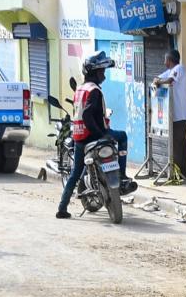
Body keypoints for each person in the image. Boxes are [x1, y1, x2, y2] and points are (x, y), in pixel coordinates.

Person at [56, 50, 136, 218]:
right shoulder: (94, 91)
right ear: (95, 72)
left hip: (79, 138)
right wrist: (101, 134)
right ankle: (121, 174)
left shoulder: (80, 89)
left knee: (75, 173)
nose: (104, 76)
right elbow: (87, 114)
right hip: (94, 136)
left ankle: (62, 208)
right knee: (121, 137)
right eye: (102, 72)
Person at [154, 49, 186, 181]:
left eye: (165, 59)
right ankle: (182, 173)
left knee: (178, 143)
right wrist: (157, 80)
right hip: (175, 115)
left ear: (169, 60)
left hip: (181, 114)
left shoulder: (179, 68)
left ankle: (181, 173)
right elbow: (158, 78)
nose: (164, 62)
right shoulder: (170, 71)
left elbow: (168, 80)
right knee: (178, 143)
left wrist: (159, 82)